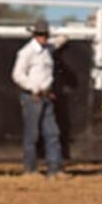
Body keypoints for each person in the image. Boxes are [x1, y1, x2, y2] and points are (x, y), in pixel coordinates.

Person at [11, 19, 67, 177]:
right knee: (32, 134)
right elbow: (17, 75)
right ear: (35, 35)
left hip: (46, 95)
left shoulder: (47, 48)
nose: (43, 37)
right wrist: (33, 87)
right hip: (33, 96)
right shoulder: (26, 52)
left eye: (45, 34)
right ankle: (30, 170)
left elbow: (58, 42)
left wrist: (64, 37)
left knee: (52, 133)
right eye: (40, 34)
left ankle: (54, 169)